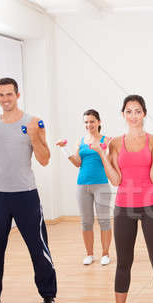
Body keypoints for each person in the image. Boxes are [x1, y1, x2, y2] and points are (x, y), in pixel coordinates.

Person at [0, 77, 57, 303]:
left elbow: (45, 159)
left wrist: (33, 136)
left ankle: (48, 295)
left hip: (25, 195)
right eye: (1, 94)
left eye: (9, 94)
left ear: (18, 95)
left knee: (37, 246)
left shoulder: (34, 122)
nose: (5, 99)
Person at [94, 95, 153, 303]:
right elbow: (116, 179)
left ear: (144, 114)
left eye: (138, 111)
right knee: (123, 262)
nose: (134, 115)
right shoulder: (115, 143)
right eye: (129, 111)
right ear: (123, 115)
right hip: (124, 206)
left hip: (152, 205)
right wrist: (100, 152)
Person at [56, 109, 113, 266]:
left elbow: (109, 162)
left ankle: (105, 254)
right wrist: (63, 148)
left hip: (101, 184)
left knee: (104, 221)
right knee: (86, 222)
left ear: (99, 122)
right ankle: (89, 254)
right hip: (82, 186)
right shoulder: (81, 141)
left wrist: (104, 149)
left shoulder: (107, 140)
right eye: (86, 122)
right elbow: (77, 162)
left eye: (92, 121)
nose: (89, 124)